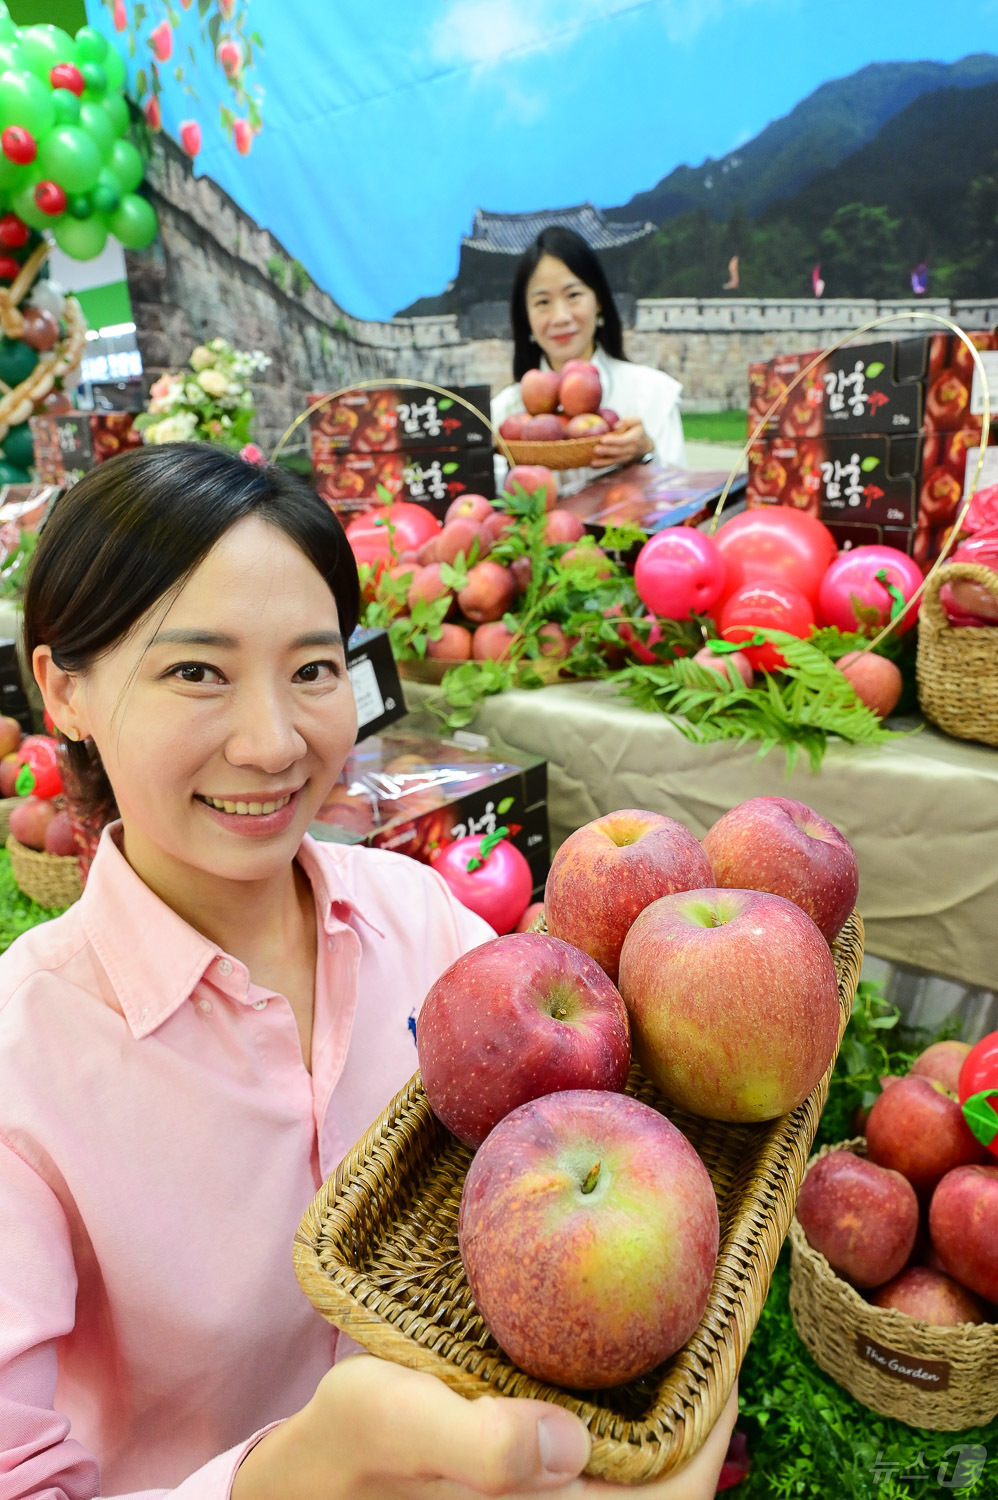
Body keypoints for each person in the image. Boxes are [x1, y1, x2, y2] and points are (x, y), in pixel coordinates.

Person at [0, 442, 736, 1500]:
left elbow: (588, 1151)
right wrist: (290, 1475)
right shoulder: (23, 1070)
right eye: (194, 671)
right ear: (64, 690)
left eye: (310, 670)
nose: (271, 742)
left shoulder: (418, 918)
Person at [491, 226, 685, 496]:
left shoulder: (652, 395)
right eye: (542, 302)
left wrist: (646, 454)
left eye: (573, 295)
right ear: (525, 317)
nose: (560, 316)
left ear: (600, 302)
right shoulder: (501, 415)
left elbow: (681, 501)